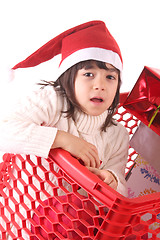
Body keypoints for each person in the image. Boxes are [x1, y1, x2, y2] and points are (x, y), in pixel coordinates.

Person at [0, 20, 129, 195]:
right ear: (69, 78)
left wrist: (111, 180)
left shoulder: (118, 135)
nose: (100, 85)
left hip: (77, 219)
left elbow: (121, 187)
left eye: (110, 77)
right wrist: (62, 139)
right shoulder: (52, 101)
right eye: (89, 74)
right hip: (23, 212)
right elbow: (4, 129)